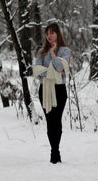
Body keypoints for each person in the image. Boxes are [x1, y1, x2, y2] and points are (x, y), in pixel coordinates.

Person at [33, 23, 71, 164]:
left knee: (57, 121)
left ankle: (56, 151)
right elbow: (36, 70)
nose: (49, 36)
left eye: (52, 33)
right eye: (47, 33)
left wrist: (54, 54)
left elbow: (61, 67)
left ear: (58, 34)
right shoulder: (41, 52)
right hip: (45, 90)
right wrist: (54, 73)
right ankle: (54, 152)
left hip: (59, 90)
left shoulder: (66, 51)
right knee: (50, 121)